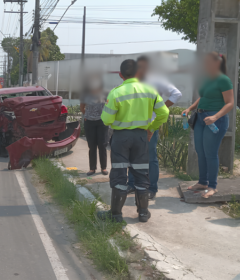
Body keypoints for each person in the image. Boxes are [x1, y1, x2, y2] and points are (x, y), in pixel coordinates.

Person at [98, 59, 169, 223]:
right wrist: (151, 128)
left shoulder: (116, 92)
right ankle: (143, 213)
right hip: (141, 137)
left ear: (120, 74)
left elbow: (106, 119)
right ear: (138, 73)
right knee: (141, 173)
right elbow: (163, 113)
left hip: (121, 138)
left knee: (119, 174)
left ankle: (115, 214)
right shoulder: (150, 91)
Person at [128, 55, 182, 199]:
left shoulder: (157, 80)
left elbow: (176, 94)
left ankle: (152, 188)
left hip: (149, 125)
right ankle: (131, 184)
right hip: (132, 124)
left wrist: (161, 108)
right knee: (133, 156)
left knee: (150, 157)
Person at [182, 52, 234, 198]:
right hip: (201, 118)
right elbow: (202, 97)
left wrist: (215, 116)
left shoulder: (224, 80)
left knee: (210, 153)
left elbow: (230, 103)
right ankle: (202, 182)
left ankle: (212, 186)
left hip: (215, 120)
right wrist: (190, 109)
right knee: (201, 151)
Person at [80, 75, 109, 176]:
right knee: (92, 146)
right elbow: (82, 107)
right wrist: (87, 115)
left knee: (102, 145)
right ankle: (92, 168)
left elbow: (109, 105)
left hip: (102, 122)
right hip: (90, 122)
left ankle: (104, 168)